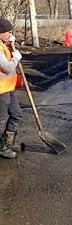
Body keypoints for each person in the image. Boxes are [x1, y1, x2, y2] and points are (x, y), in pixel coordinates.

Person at [0, 18, 23, 158]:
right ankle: (1, 148)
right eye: (8, 32)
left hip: (9, 88)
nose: (10, 34)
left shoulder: (4, 45)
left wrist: (12, 49)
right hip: (1, 90)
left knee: (16, 114)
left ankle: (8, 143)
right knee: (0, 119)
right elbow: (8, 67)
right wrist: (15, 58)